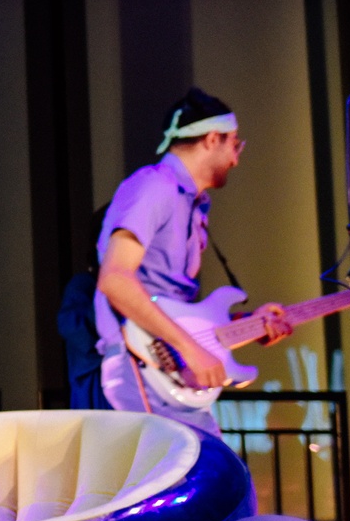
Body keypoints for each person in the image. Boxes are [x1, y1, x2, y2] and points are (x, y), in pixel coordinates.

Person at [93, 87, 291, 436]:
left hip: (169, 374)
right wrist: (192, 350)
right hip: (140, 369)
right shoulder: (154, 187)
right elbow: (115, 280)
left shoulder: (192, 204)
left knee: (220, 484)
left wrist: (249, 323)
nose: (236, 158)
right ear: (212, 139)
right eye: (235, 144)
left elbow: (176, 309)